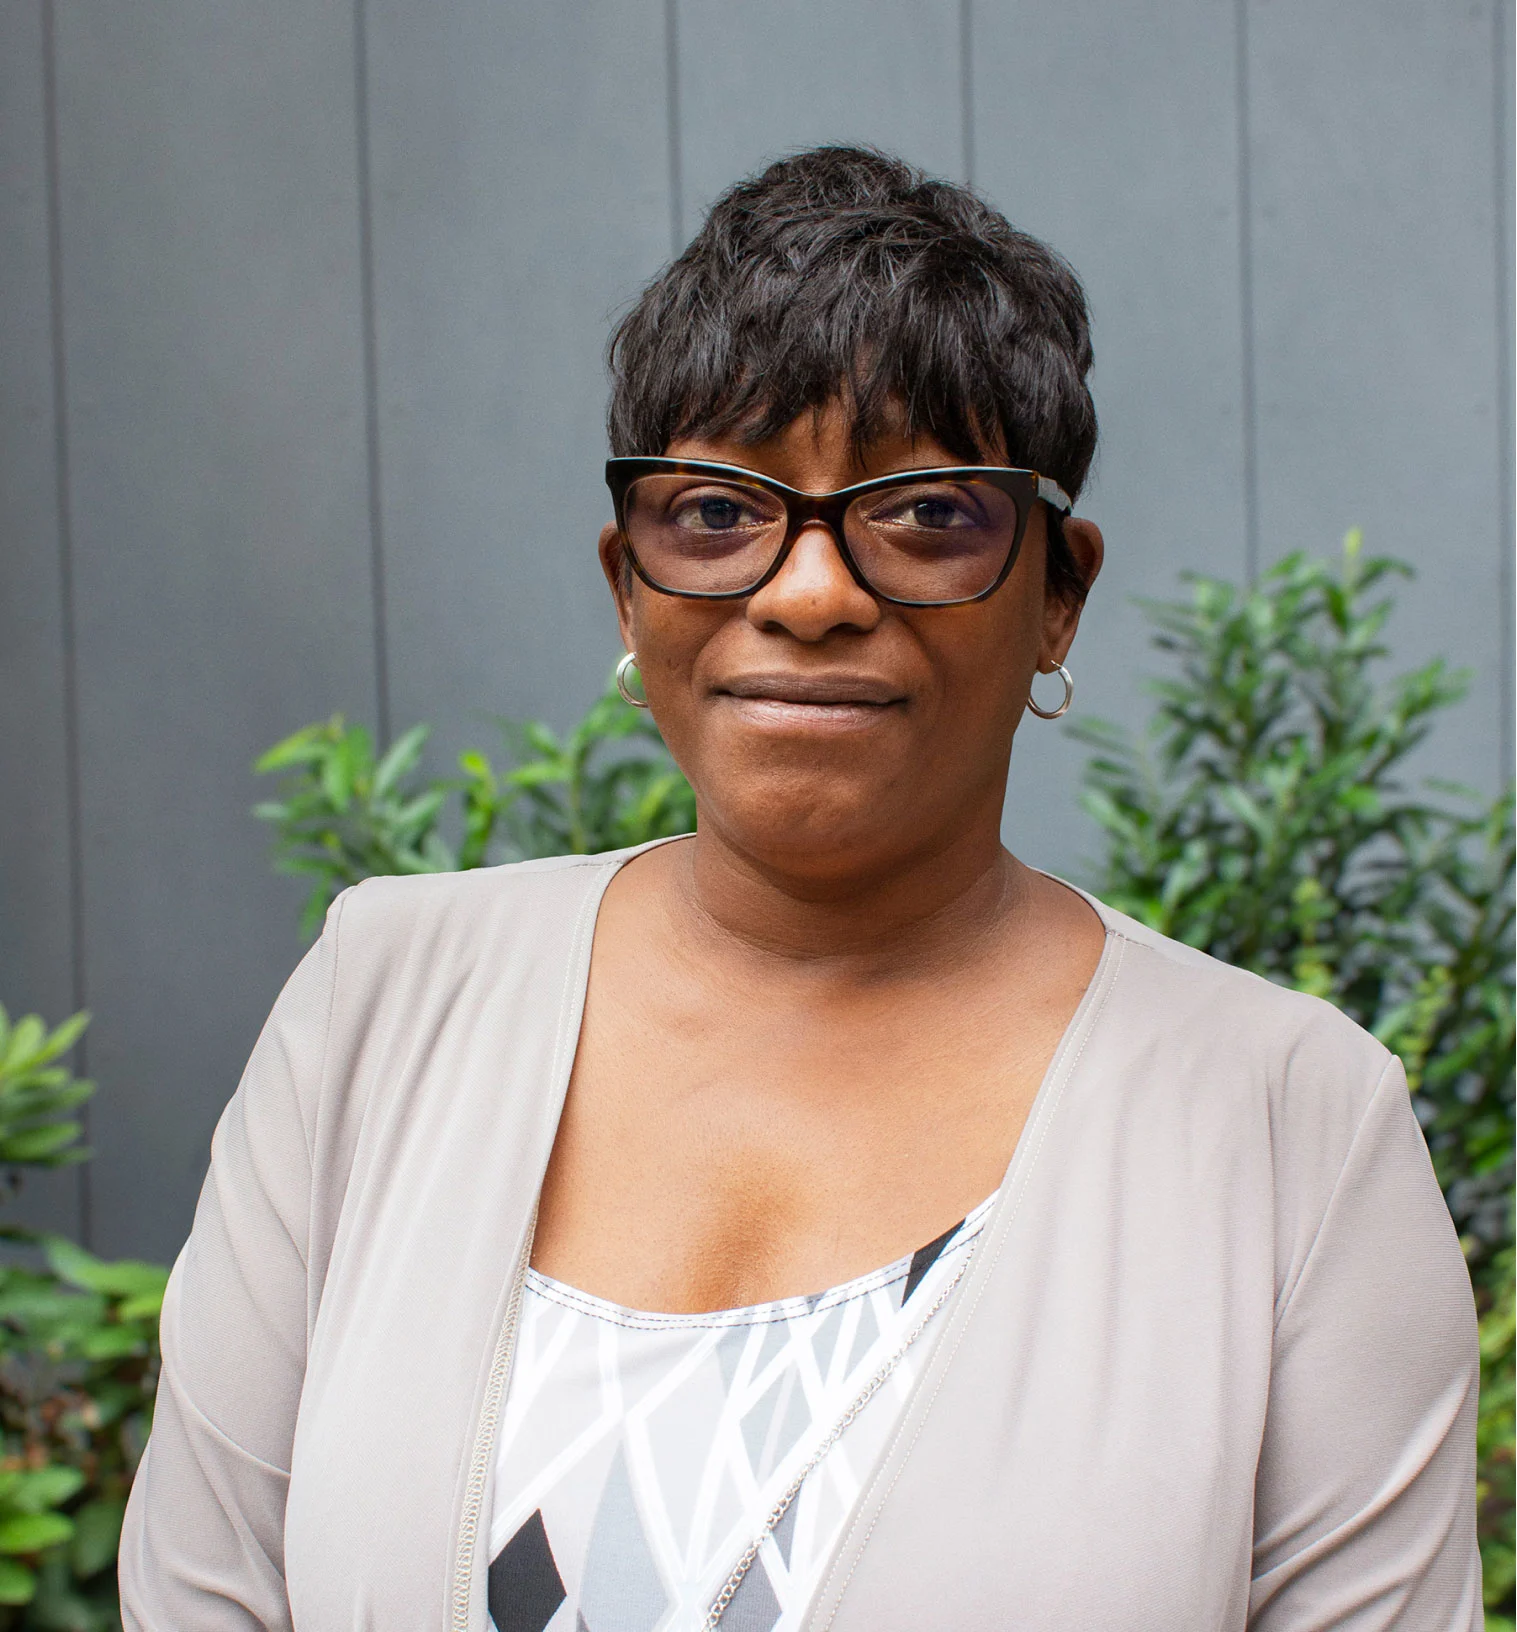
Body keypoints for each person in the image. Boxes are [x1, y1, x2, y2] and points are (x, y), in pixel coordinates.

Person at [119, 147, 1481, 1632]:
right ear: (626, 586)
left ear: (1059, 590)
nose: (811, 592)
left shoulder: (1292, 1127)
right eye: (715, 514)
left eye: (927, 514)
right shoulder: (384, 1003)